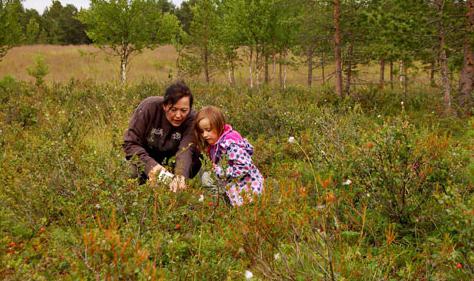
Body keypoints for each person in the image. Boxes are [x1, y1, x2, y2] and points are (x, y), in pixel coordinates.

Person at [123, 81, 201, 191]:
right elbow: (130, 143)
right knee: (128, 172)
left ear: (190, 108)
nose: (178, 115)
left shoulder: (192, 119)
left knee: (189, 167)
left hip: (173, 163)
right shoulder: (149, 108)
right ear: (165, 106)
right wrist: (151, 166)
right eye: (173, 109)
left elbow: (186, 150)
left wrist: (180, 175)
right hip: (145, 158)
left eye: (184, 110)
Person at [194, 106, 263, 206]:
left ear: (220, 125)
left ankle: (221, 204)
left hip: (247, 187)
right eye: (202, 131)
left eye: (208, 130)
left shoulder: (230, 144)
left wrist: (220, 171)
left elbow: (245, 167)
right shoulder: (217, 143)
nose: (204, 135)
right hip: (232, 182)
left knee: (206, 177)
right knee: (204, 173)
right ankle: (220, 201)